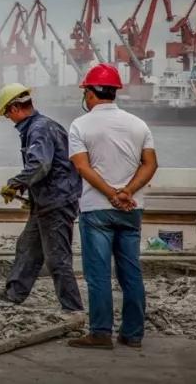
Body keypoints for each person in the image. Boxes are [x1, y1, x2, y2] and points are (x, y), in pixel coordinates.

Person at [66, 63, 158, 350]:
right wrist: (127, 192)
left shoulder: (80, 125)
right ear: (115, 92)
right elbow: (150, 163)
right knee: (131, 273)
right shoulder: (139, 124)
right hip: (132, 209)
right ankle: (132, 335)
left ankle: (101, 333)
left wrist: (110, 194)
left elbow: (82, 166)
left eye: (86, 92)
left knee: (98, 274)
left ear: (91, 93)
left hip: (96, 210)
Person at [0, 84, 83, 311]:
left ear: (15, 108)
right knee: (28, 246)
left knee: (57, 258)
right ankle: (15, 293)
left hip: (56, 202)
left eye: (7, 114)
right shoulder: (42, 126)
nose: (9, 119)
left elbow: (40, 164)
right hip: (46, 200)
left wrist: (16, 183)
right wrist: (29, 191)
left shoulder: (39, 128)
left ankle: (72, 307)